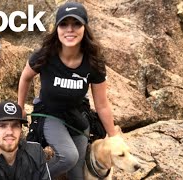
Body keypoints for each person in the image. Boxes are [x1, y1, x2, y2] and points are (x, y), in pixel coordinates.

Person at [18, 2, 117, 179]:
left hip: (77, 116)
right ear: (57, 28)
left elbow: (102, 105)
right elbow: (25, 78)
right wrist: (20, 108)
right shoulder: (45, 55)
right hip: (49, 114)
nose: (69, 29)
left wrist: (114, 136)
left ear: (84, 28)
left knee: (77, 174)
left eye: (76, 24)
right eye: (64, 24)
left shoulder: (93, 62)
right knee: (69, 156)